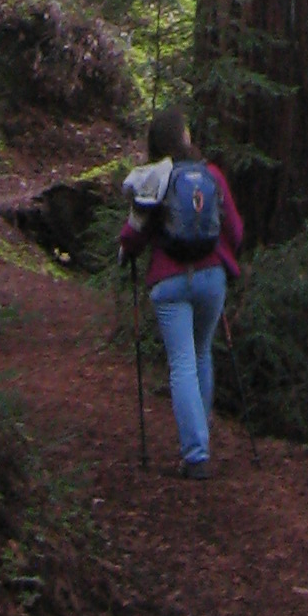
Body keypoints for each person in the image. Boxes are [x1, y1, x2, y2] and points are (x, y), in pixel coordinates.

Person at [118, 107, 244, 478]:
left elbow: (133, 235)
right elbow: (235, 232)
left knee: (183, 363)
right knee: (202, 354)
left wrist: (126, 251)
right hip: (211, 279)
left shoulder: (154, 180)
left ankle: (195, 453)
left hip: (169, 281)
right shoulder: (212, 176)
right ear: (185, 138)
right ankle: (199, 442)